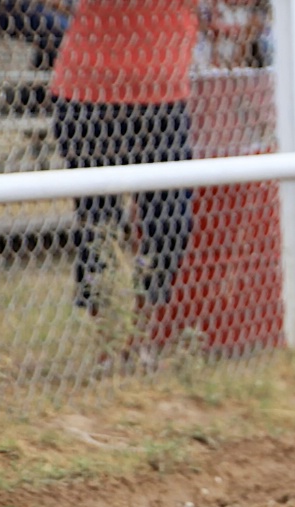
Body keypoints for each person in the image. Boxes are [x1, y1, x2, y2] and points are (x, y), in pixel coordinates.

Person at [48, 0, 197, 315]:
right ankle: (107, 336)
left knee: (171, 223)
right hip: (90, 93)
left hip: (164, 99)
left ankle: (142, 325)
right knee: (100, 227)